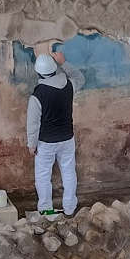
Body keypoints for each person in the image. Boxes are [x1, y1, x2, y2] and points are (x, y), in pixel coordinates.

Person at [27, 50, 85, 216]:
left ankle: (46, 210)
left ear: (38, 72)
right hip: (67, 138)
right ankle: (69, 209)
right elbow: (80, 78)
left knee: (43, 177)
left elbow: (33, 124)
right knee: (69, 173)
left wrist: (32, 145)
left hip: (46, 143)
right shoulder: (68, 85)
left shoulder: (37, 95)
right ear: (55, 68)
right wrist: (63, 62)